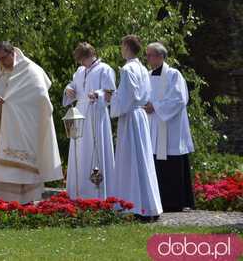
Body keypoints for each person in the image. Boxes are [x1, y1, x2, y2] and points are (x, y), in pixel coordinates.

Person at [0, 41, 62, 203]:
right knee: (5, 168)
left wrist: (17, 104)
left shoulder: (30, 70)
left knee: (25, 165)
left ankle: (28, 201)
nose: (0, 62)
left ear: (12, 53)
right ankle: (4, 204)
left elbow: (41, 98)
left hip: (26, 127)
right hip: (5, 129)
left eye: (3, 58)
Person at [109, 35, 162, 219]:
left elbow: (126, 98)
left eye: (122, 46)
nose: (121, 50)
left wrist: (112, 99)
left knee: (130, 160)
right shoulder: (142, 68)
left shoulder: (127, 69)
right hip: (140, 116)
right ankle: (148, 205)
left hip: (131, 116)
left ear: (126, 47)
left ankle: (134, 206)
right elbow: (142, 94)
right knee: (143, 160)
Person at [144, 42, 195, 212]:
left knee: (171, 162)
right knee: (155, 161)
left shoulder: (174, 75)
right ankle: (159, 200)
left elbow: (179, 99)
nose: (147, 58)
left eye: (150, 55)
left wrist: (156, 107)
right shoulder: (148, 75)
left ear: (160, 56)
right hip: (153, 125)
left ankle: (175, 201)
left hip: (170, 128)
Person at [63, 42, 116, 199]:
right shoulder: (80, 71)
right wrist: (68, 89)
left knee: (95, 150)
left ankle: (96, 193)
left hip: (96, 114)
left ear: (90, 55)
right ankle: (77, 192)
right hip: (79, 113)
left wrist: (98, 94)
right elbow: (73, 86)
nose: (81, 63)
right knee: (79, 152)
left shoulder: (105, 69)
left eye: (82, 59)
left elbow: (111, 92)